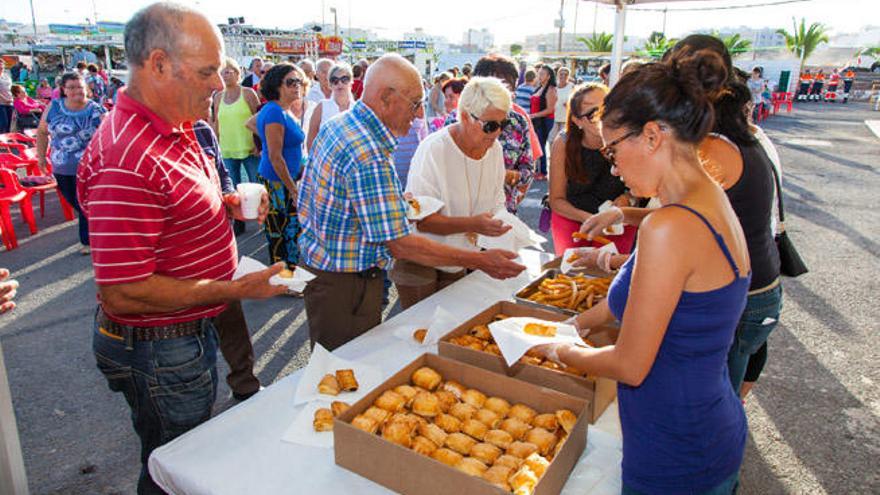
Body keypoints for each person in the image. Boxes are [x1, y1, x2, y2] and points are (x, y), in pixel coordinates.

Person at [77, 5, 285, 493]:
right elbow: (123, 293)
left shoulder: (177, 122)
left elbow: (171, 206)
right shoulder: (127, 156)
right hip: (159, 344)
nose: (218, 84)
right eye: (208, 70)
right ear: (158, 64)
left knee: (177, 456)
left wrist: (222, 205)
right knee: (173, 468)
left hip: (181, 334)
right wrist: (234, 287)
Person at [536, 50, 750, 495]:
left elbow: (629, 365)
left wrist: (556, 350)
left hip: (675, 444)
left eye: (614, 150)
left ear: (652, 135)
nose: (613, 167)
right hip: (705, 426)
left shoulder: (669, 227)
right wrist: (629, 218)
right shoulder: (707, 201)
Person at [297, 54, 525, 351]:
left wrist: (393, 203)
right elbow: (400, 244)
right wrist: (480, 260)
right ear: (386, 98)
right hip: (346, 281)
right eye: (415, 103)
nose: (419, 115)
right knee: (343, 370)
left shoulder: (341, 125)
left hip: (329, 270)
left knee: (342, 364)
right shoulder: (368, 152)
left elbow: (312, 201)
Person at [391, 77, 513, 308]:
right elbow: (422, 221)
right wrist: (473, 224)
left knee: (453, 324)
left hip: (461, 256)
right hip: (421, 258)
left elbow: (497, 204)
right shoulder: (434, 149)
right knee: (421, 329)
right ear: (465, 116)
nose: (497, 133)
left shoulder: (494, 149)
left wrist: (506, 230)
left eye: (503, 124)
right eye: (490, 125)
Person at [192, 119, 262, 401]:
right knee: (193, 347)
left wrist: (231, 198)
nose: (217, 86)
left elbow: (222, 176)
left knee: (232, 326)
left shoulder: (202, 130)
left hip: (219, 256)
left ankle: (245, 385)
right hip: (181, 270)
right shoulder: (133, 139)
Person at [548, 83, 635, 256]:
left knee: (611, 276)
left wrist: (628, 198)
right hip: (572, 219)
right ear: (577, 120)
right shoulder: (564, 143)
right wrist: (590, 219)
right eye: (593, 113)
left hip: (618, 223)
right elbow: (556, 200)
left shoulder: (630, 137)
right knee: (572, 276)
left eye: (607, 107)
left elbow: (646, 187)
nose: (604, 117)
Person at [35, 72, 106, 254]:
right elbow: (42, 132)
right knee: (75, 201)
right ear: (64, 90)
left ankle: (88, 241)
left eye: (80, 87)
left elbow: (110, 137)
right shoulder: (54, 107)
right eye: (71, 87)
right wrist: (41, 157)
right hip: (62, 167)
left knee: (86, 203)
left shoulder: (97, 110)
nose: (77, 91)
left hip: (91, 168)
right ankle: (99, 230)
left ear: (87, 89)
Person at [469, 53, 542, 213]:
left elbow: (529, 169)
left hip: (503, 211)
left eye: (507, 85)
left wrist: (510, 182)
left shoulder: (518, 120)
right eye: (493, 84)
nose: (500, 91)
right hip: (462, 214)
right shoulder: (459, 119)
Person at [256, 63, 307, 273]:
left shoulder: (283, 111)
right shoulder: (274, 112)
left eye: (299, 82)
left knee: (291, 231)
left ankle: (288, 277)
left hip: (286, 180)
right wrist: (293, 189)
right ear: (277, 85)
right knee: (280, 234)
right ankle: (283, 279)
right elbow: (276, 157)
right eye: (290, 82)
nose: (297, 86)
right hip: (277, 183)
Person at [212, 56, 261, 235]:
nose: (225, 75)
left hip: (249, 148)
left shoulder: (248, 93)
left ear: (237, 73)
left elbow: (259, 118)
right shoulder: (218, 96)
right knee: (232, 188)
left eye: (228, 71)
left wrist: (259, 144)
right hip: (227, 148)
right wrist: (215, 145)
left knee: (257, 184)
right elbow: (216, 122)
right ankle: (239, 223)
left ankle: (264, 220)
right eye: (222, 72)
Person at [307, 62, 354, 151]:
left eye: (344, 79)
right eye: (334, 80)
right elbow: (311, 141)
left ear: (351, 82)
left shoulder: (357, 108)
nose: (340, 83)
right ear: (330, 84)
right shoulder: (321, 107)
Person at [529, 65, 557, 179]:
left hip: (544, 121)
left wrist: (533, 115)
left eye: (542, 74)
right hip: (537, 120)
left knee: (540, 144)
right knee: (536, 144)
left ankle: (543, 172)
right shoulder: (539, 87)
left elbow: (550, 109)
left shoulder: (550, 89)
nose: (539, 76)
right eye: (538, 73)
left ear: (549, 76)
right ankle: (538, 170)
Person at [548, 66, 573, 161]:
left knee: (564, 140)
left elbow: (575, 100)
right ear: (557, 75)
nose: (563, 76)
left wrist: (569, 104)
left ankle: (563, 157)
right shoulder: (554, 86)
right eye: (561, 74)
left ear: (568, 76)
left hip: (565, 117)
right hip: (553, 116)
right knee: (551, 139)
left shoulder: (571, 86)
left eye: (565, 74)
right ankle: (552, 156)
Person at [0, 65, 14, 133]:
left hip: (10, 102)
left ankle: (7, 139)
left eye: (2, 66)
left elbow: (11, 87)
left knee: (9, 123)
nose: (1, 68)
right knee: (3, 122)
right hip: (1, 103)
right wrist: (5, 99)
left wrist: (13, 97)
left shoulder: (7, 76)